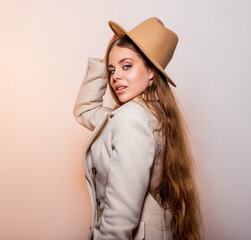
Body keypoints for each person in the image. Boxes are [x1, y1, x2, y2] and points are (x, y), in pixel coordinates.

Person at [73, 17, 202, 240]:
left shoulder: (131, 119)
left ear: (151, 71)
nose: (116, 77)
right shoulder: (150, 114)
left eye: (127, 66)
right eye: (111, 70)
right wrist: (108, 58)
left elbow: (119, 218)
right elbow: (85, 111)